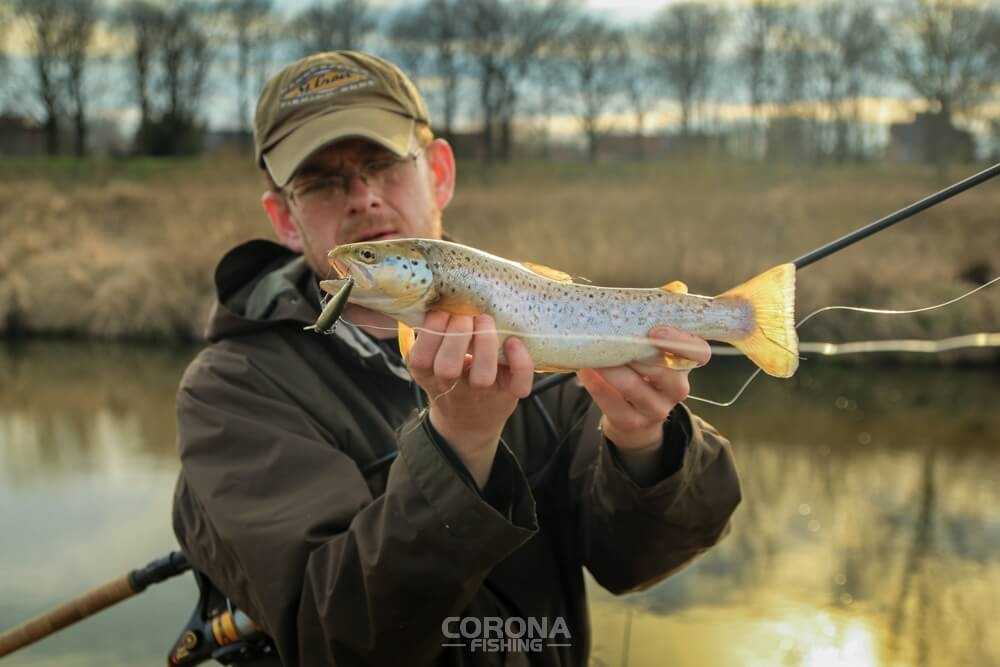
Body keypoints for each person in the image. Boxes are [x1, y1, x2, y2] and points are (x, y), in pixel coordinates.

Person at [172, 51, 741, 667]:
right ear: (284, 217)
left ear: (439, 173)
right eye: (322, 181)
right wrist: (461, 441)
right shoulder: (229, 393)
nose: (363, 199)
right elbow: (335, 640)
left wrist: (645, 443)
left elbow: (634, 561)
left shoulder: (526, 312)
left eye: (383, 164)